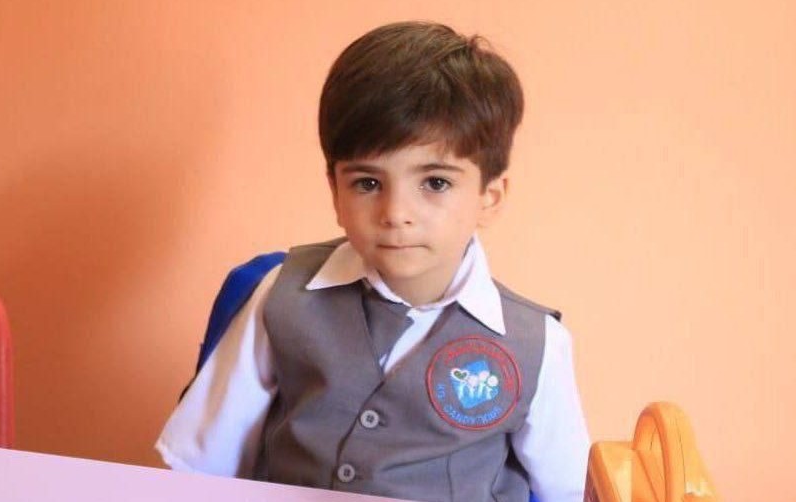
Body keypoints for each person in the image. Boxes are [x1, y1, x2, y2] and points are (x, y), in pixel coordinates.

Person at [156, 20, 590, 502]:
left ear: (490, 196)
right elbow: (201, 465)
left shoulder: (537, 344)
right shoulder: (280, 294)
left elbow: (570, 490)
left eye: (436, 183)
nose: (396, 213)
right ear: (335, 192)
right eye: (367, 183)